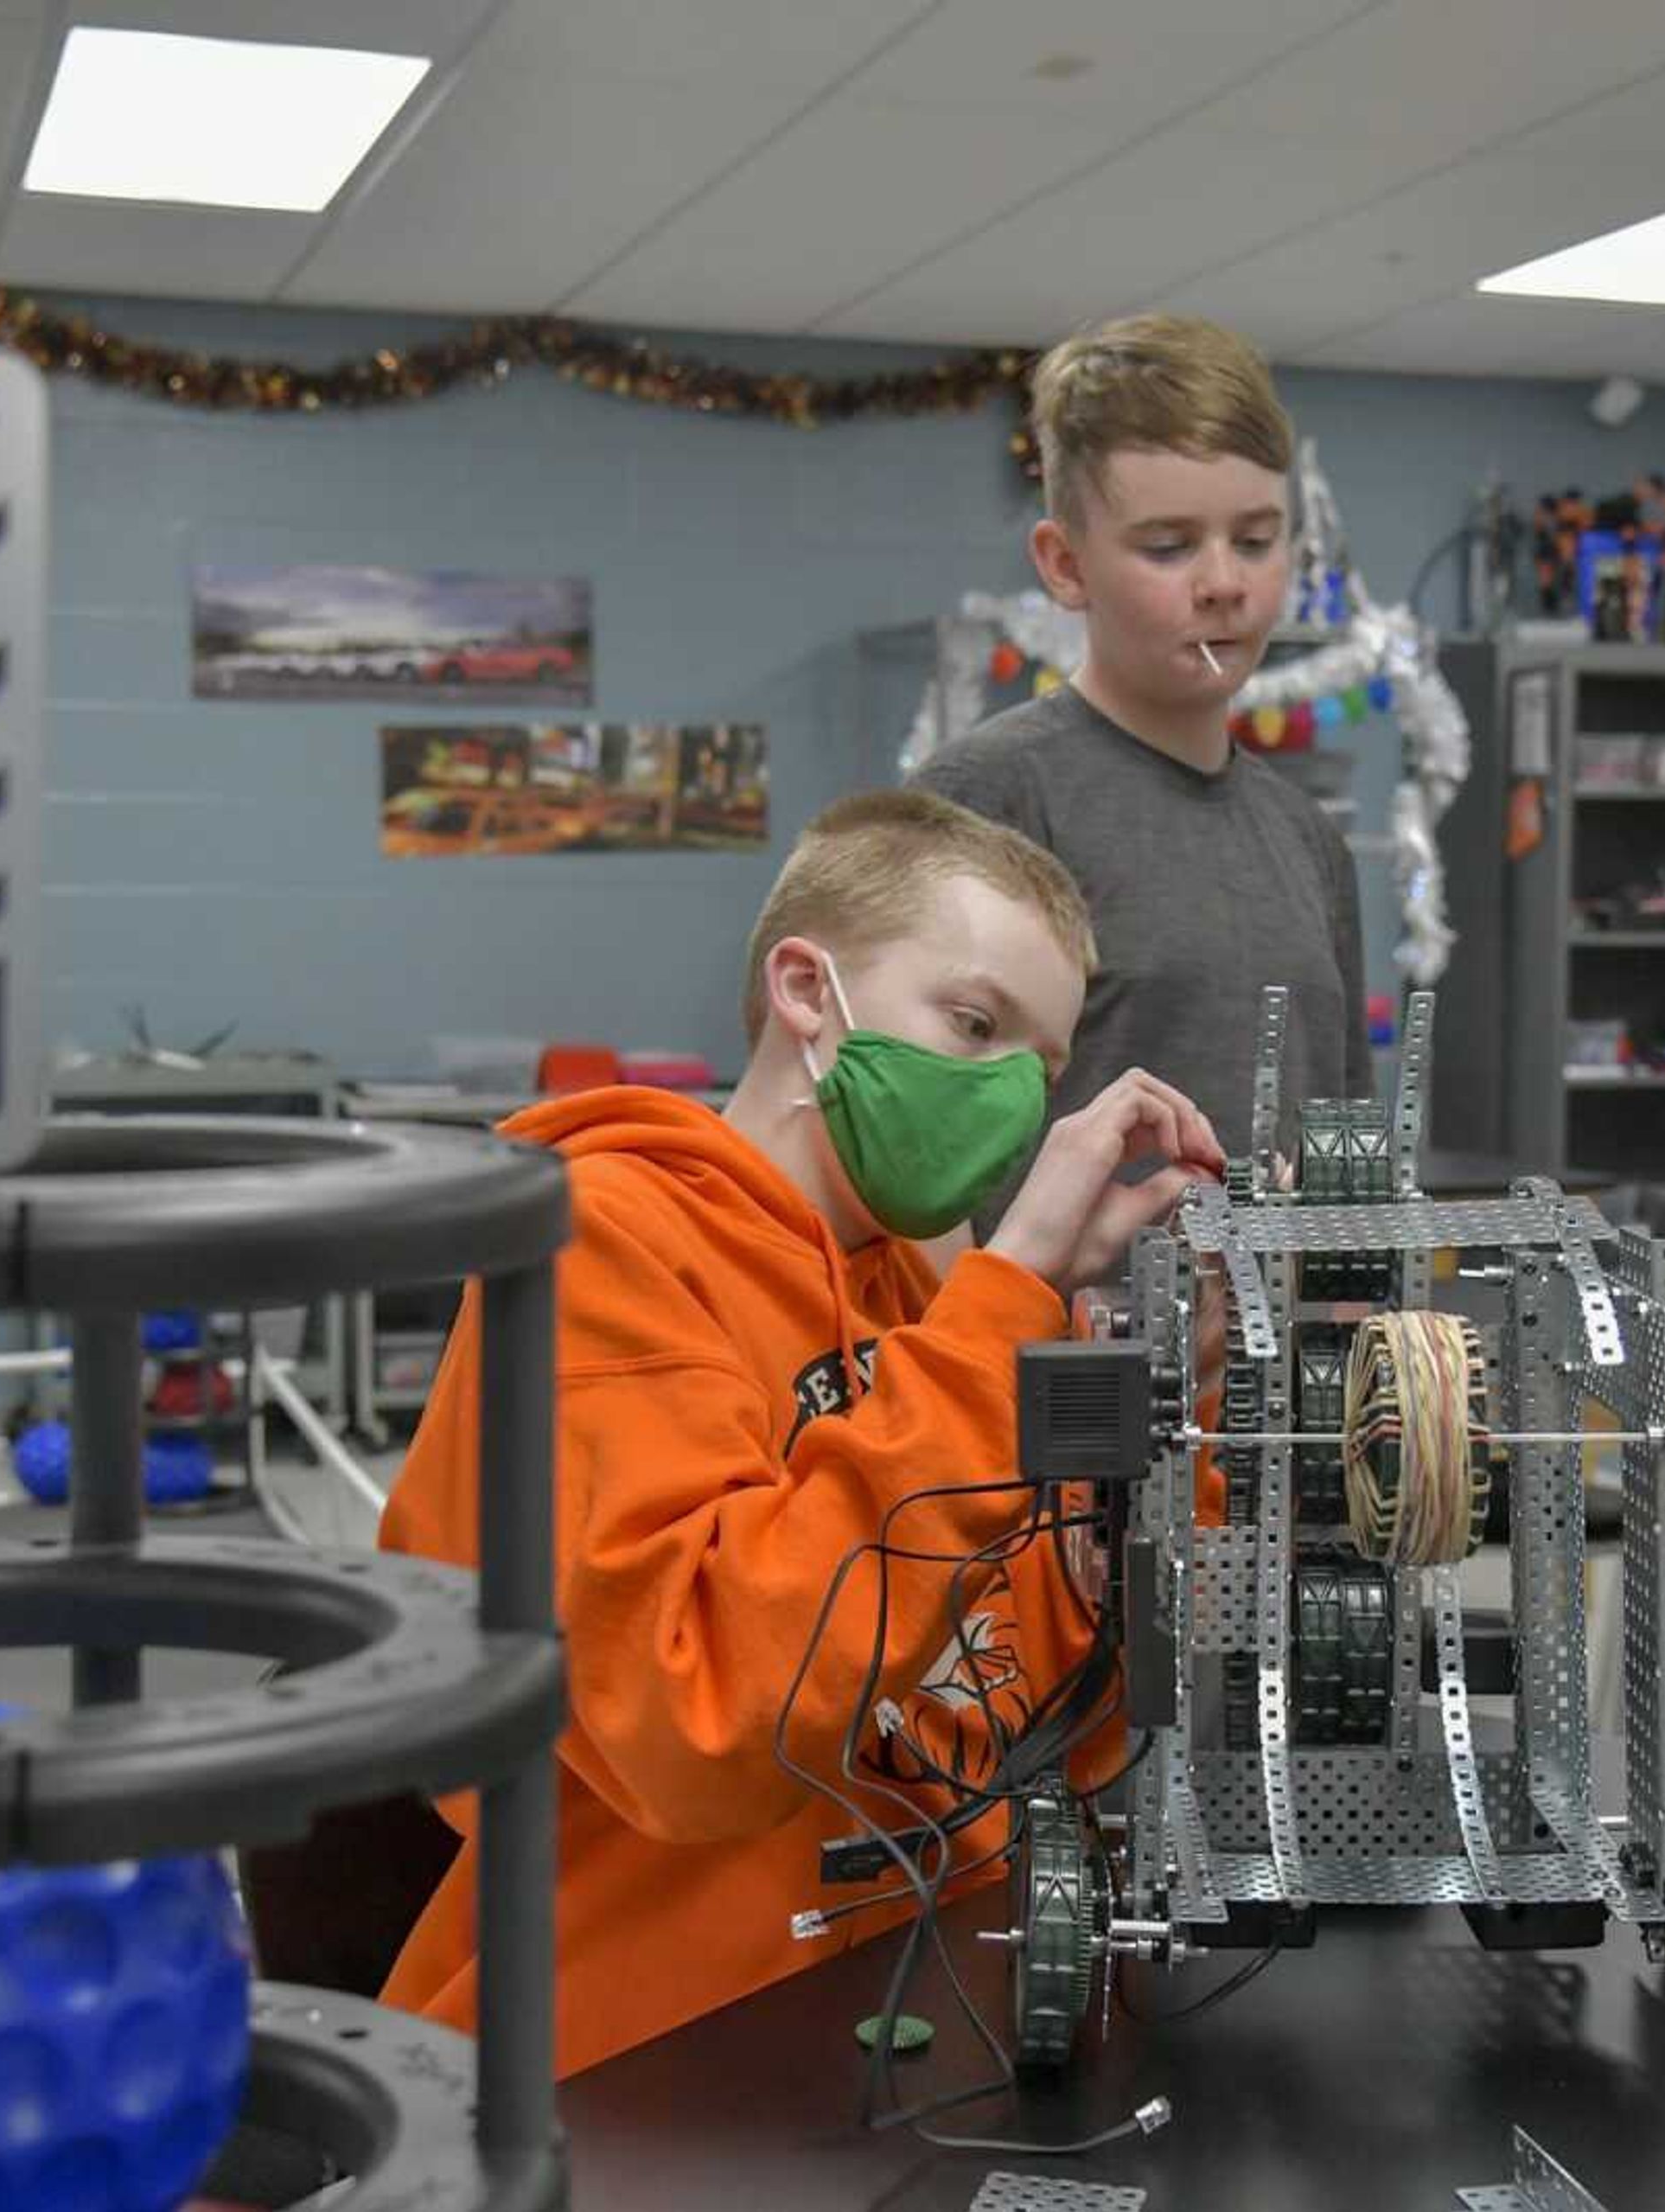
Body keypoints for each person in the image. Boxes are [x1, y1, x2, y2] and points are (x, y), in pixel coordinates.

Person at [375, 790, 1226, 2072]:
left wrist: (1139, 1396)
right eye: (973, 1024)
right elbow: (707, 1718)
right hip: (653, 2045)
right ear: (805, 990)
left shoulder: (919, 1297)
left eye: (1037, 1069)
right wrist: (1005, 1311)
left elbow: (1044, 1709)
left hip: (920, 1984)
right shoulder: (603, 1244)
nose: (1003, 1101)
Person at [913, 312, 1370, 1191]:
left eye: (1255, 540)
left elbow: (1346, 1131)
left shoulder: (1311, 840)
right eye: (1168, 547)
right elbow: (913, 1163)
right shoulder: (984, 800)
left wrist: (1355, 1309)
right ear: (1065, 564)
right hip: (1056, 1329)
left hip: (1283, 1328)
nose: (1224, 585)